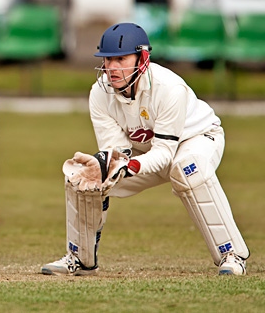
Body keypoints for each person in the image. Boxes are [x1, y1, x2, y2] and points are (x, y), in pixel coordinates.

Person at [41, 22, 249, 276]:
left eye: (121, 59)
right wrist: (106, 166)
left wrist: (129, 166)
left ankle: (232, 255)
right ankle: (80, 258)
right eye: (108, 60)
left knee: (187, 169)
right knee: (84, 179)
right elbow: (117, 151)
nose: (112, 68)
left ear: (142, 59)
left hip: (195, 138)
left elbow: (164, 153)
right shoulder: (99, 93)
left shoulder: (169, 88)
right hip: (144, 151)